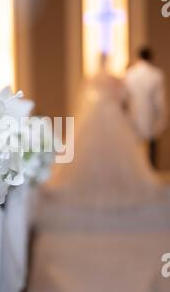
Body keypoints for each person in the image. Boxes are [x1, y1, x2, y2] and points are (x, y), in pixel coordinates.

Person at [50, 54, 164, 209]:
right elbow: (122, 96)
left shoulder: (93, 77)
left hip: (97, 112)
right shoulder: (113, 78)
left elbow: (86, 97)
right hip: (111, 112)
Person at [125, 47, 167, 167]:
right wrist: (163, 117)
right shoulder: (156, 74)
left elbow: (126, 97)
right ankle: (151, 172)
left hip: (133, 115)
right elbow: (159, 100)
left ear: (138, 57)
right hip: (151, 115)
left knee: (135, 148)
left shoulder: (130, 74)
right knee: (152, 147)